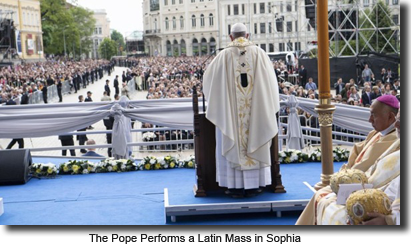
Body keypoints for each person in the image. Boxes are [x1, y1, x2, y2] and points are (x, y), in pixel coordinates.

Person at [203, 23, 280, 198]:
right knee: (256, 135)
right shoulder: (260, 54)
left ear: (230, 37)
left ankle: (233, 186)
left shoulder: (222, 56)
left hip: (231, 116)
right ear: (248, 35)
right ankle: (256, 184)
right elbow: (272, 86)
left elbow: (208, 83)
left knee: (231, 137)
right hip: (256, 115)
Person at [296, 96, 399, 225]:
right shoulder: (377, 133)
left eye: (374, 115)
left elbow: (369, 167)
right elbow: (358, 150)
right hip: (361, 181)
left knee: (326, 200)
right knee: (322, 197)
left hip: (372, 186)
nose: (369, 119)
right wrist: (346, 171)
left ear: (391, 117)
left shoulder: (393, 138)